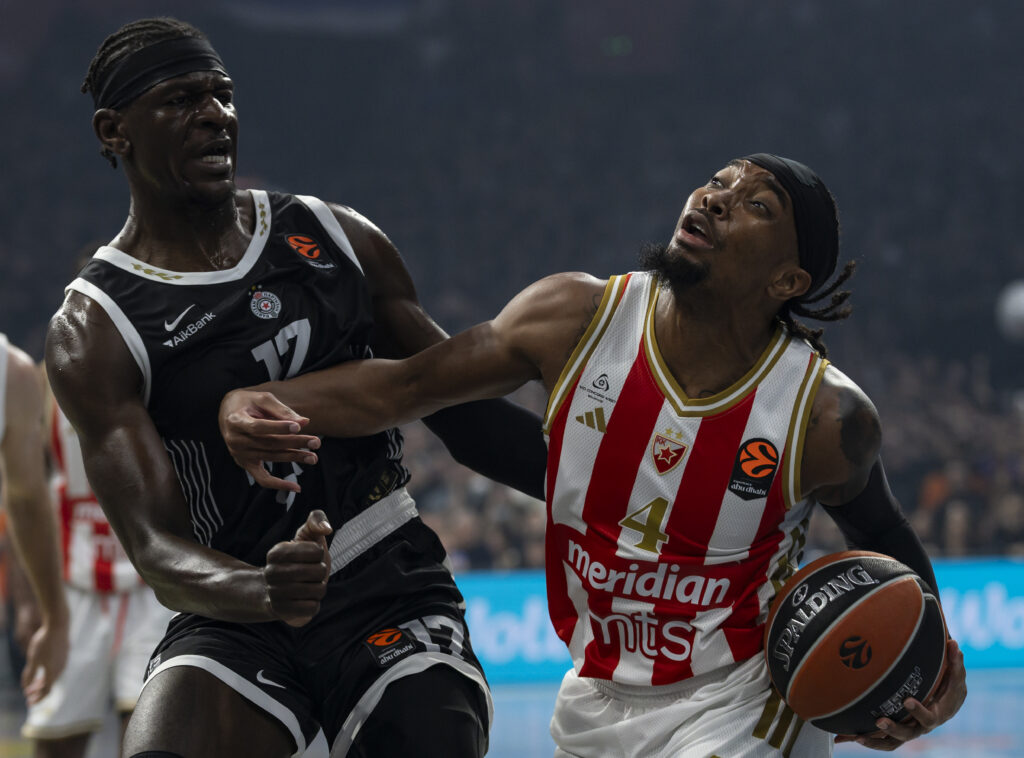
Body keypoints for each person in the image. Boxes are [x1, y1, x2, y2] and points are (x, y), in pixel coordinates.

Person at [219, 154, 969, 756]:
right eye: (717, 182)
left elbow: (884, 536)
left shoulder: (824, 415)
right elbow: (412, 389)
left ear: (788, 280)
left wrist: (928, 670)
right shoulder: (574, 315)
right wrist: (248, 400)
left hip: (741, 702)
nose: (713, 198)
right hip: (596, 695)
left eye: (754, 204)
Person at [45, 16, 546, 758]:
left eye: (222, 96)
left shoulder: (331, 235)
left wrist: (610, 493)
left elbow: (465, 418)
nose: (215, 115)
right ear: (113, 130)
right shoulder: (97, 328)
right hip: (235, 602)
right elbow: (156, 549)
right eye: (182, 100)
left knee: (428, 737)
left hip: (385, 576)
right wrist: (263, 592)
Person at [16, 368, 176, 758]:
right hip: (72, 586)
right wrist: (28, 600)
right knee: (56, 739)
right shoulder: (40, 381)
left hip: (152, 587)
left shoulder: (159, 366)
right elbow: (23, 494)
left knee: (148, 736)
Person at [0, 335, 70, 709]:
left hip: (142, 582)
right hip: (76, 577)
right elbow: (25, 502)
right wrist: (48, 613)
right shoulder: (17, 372)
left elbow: (25, 503)